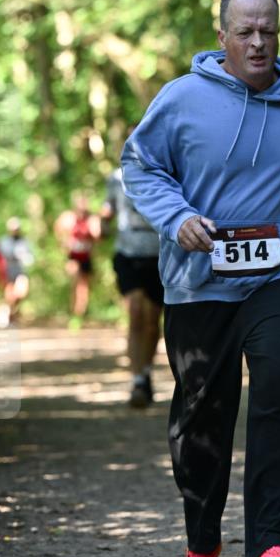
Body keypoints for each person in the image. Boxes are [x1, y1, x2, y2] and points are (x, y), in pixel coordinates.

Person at [121, 0, 280, 557]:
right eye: (245, 31)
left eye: (268, 30)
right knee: (203, 411)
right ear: (221, 35)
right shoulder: (180, 100)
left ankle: (276, 548)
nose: (258, 42)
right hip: (199, 279)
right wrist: (177, 219)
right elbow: (140, 167)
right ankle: (202, 540)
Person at [101, 145, 164, 408]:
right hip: (127, 254)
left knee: (151, 321)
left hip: (159, 256)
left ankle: (147, 371)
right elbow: (109, 208)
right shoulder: (116, 178)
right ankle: (137, 378)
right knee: (136, 313)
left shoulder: (165, 174)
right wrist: (102, 221)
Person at [54, 194, 101, 330]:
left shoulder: (92, 219)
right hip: (73, 256)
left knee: (84, 288)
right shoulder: (68, 217)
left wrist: (94, 238)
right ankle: (74, 313)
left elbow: (98, 236)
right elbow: (57, 227)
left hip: (86, 257)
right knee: (76, 283)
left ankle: (79, 315)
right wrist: (63, 243)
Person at [0, 217, 33, 328]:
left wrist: (27, 258)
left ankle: (10, 312)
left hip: (20, 271)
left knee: (21, 293)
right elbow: (0, 255)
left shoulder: (24, 241)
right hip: (8, 271)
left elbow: (29, 254)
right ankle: (8, 313)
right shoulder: (3, 241)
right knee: (9, 295)